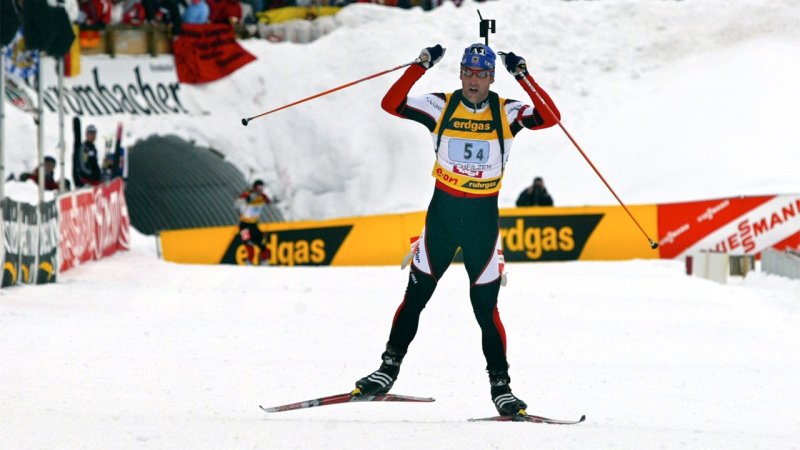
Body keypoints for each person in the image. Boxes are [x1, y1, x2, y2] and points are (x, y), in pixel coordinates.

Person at [352, 43, 560, 417]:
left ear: (491, 77)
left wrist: (523, 75)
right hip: (442, 220)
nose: (474, 80)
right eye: (469, 72)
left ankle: (502, 388)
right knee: (415, 298)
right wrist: (420, 65)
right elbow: (391, 104)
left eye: (482, 74)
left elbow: (550, 117)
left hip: (482, 224)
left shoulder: (507, 111)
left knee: (485, 310)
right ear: (460, 73)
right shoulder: (441, 105)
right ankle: (387, 369)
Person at [234, 179, 272, 265]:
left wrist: (267, 201)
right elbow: (237, 203)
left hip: (253, 225)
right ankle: (249, 263)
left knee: (262, 245)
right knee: (249, 245)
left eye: (262, 187)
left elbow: (268, 201)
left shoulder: (262, 196)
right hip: (244, 225)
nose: (260, 189)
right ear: (254, 188)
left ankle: (264, 262)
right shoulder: (248, 194)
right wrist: (247, 198)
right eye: (259, 187)